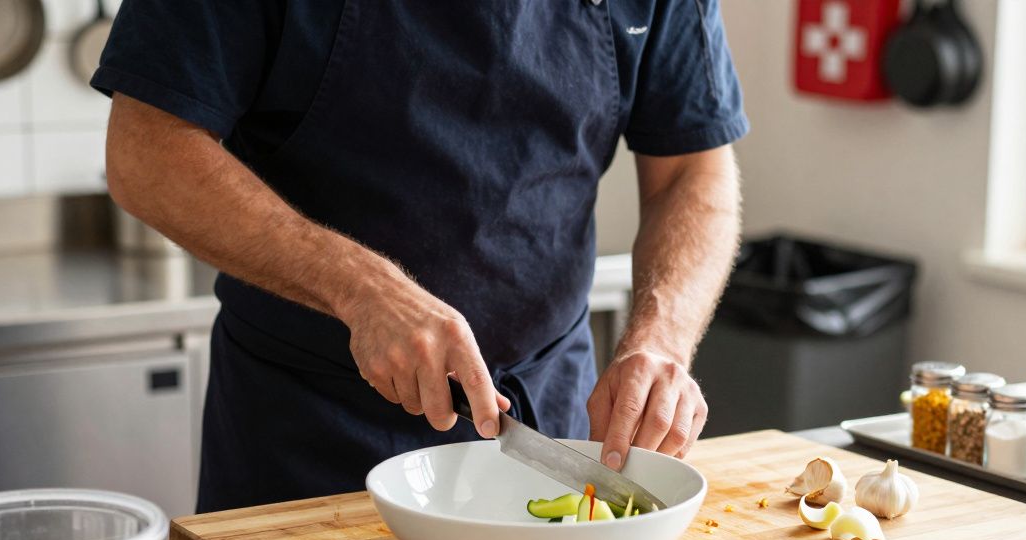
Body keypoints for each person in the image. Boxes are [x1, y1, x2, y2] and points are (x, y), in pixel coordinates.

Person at [94, 0, 747, 513]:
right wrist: (359, 286)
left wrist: (661, 337)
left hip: (549, 424)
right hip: (310, 440)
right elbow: (146, 150)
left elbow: (692, 168)